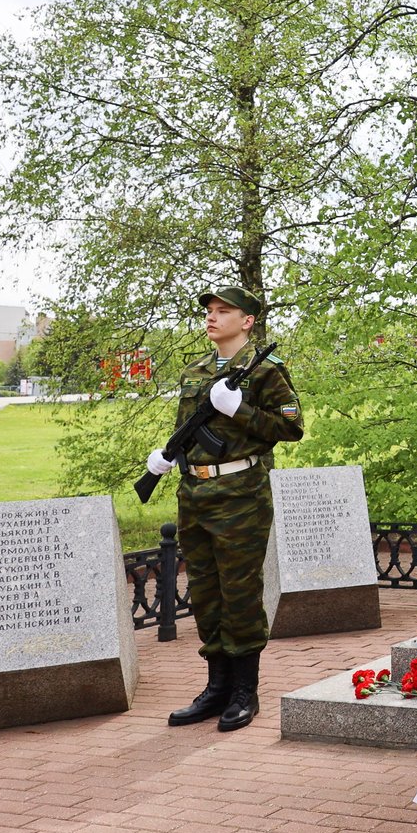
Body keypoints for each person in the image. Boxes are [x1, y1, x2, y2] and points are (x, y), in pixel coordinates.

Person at [146, 286, 303, 731]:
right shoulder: (195, 370)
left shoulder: (266, 371)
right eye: (210, 311)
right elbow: (187, 428)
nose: (213, 318)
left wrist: (240, 410)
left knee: (239, 593)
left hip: (240, 494)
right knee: (206, 591)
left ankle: (243, 692)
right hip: (194, 493)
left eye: (224, 311)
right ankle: (215, 688)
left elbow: (291, 428)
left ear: (247, 320)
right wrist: (168, 454)